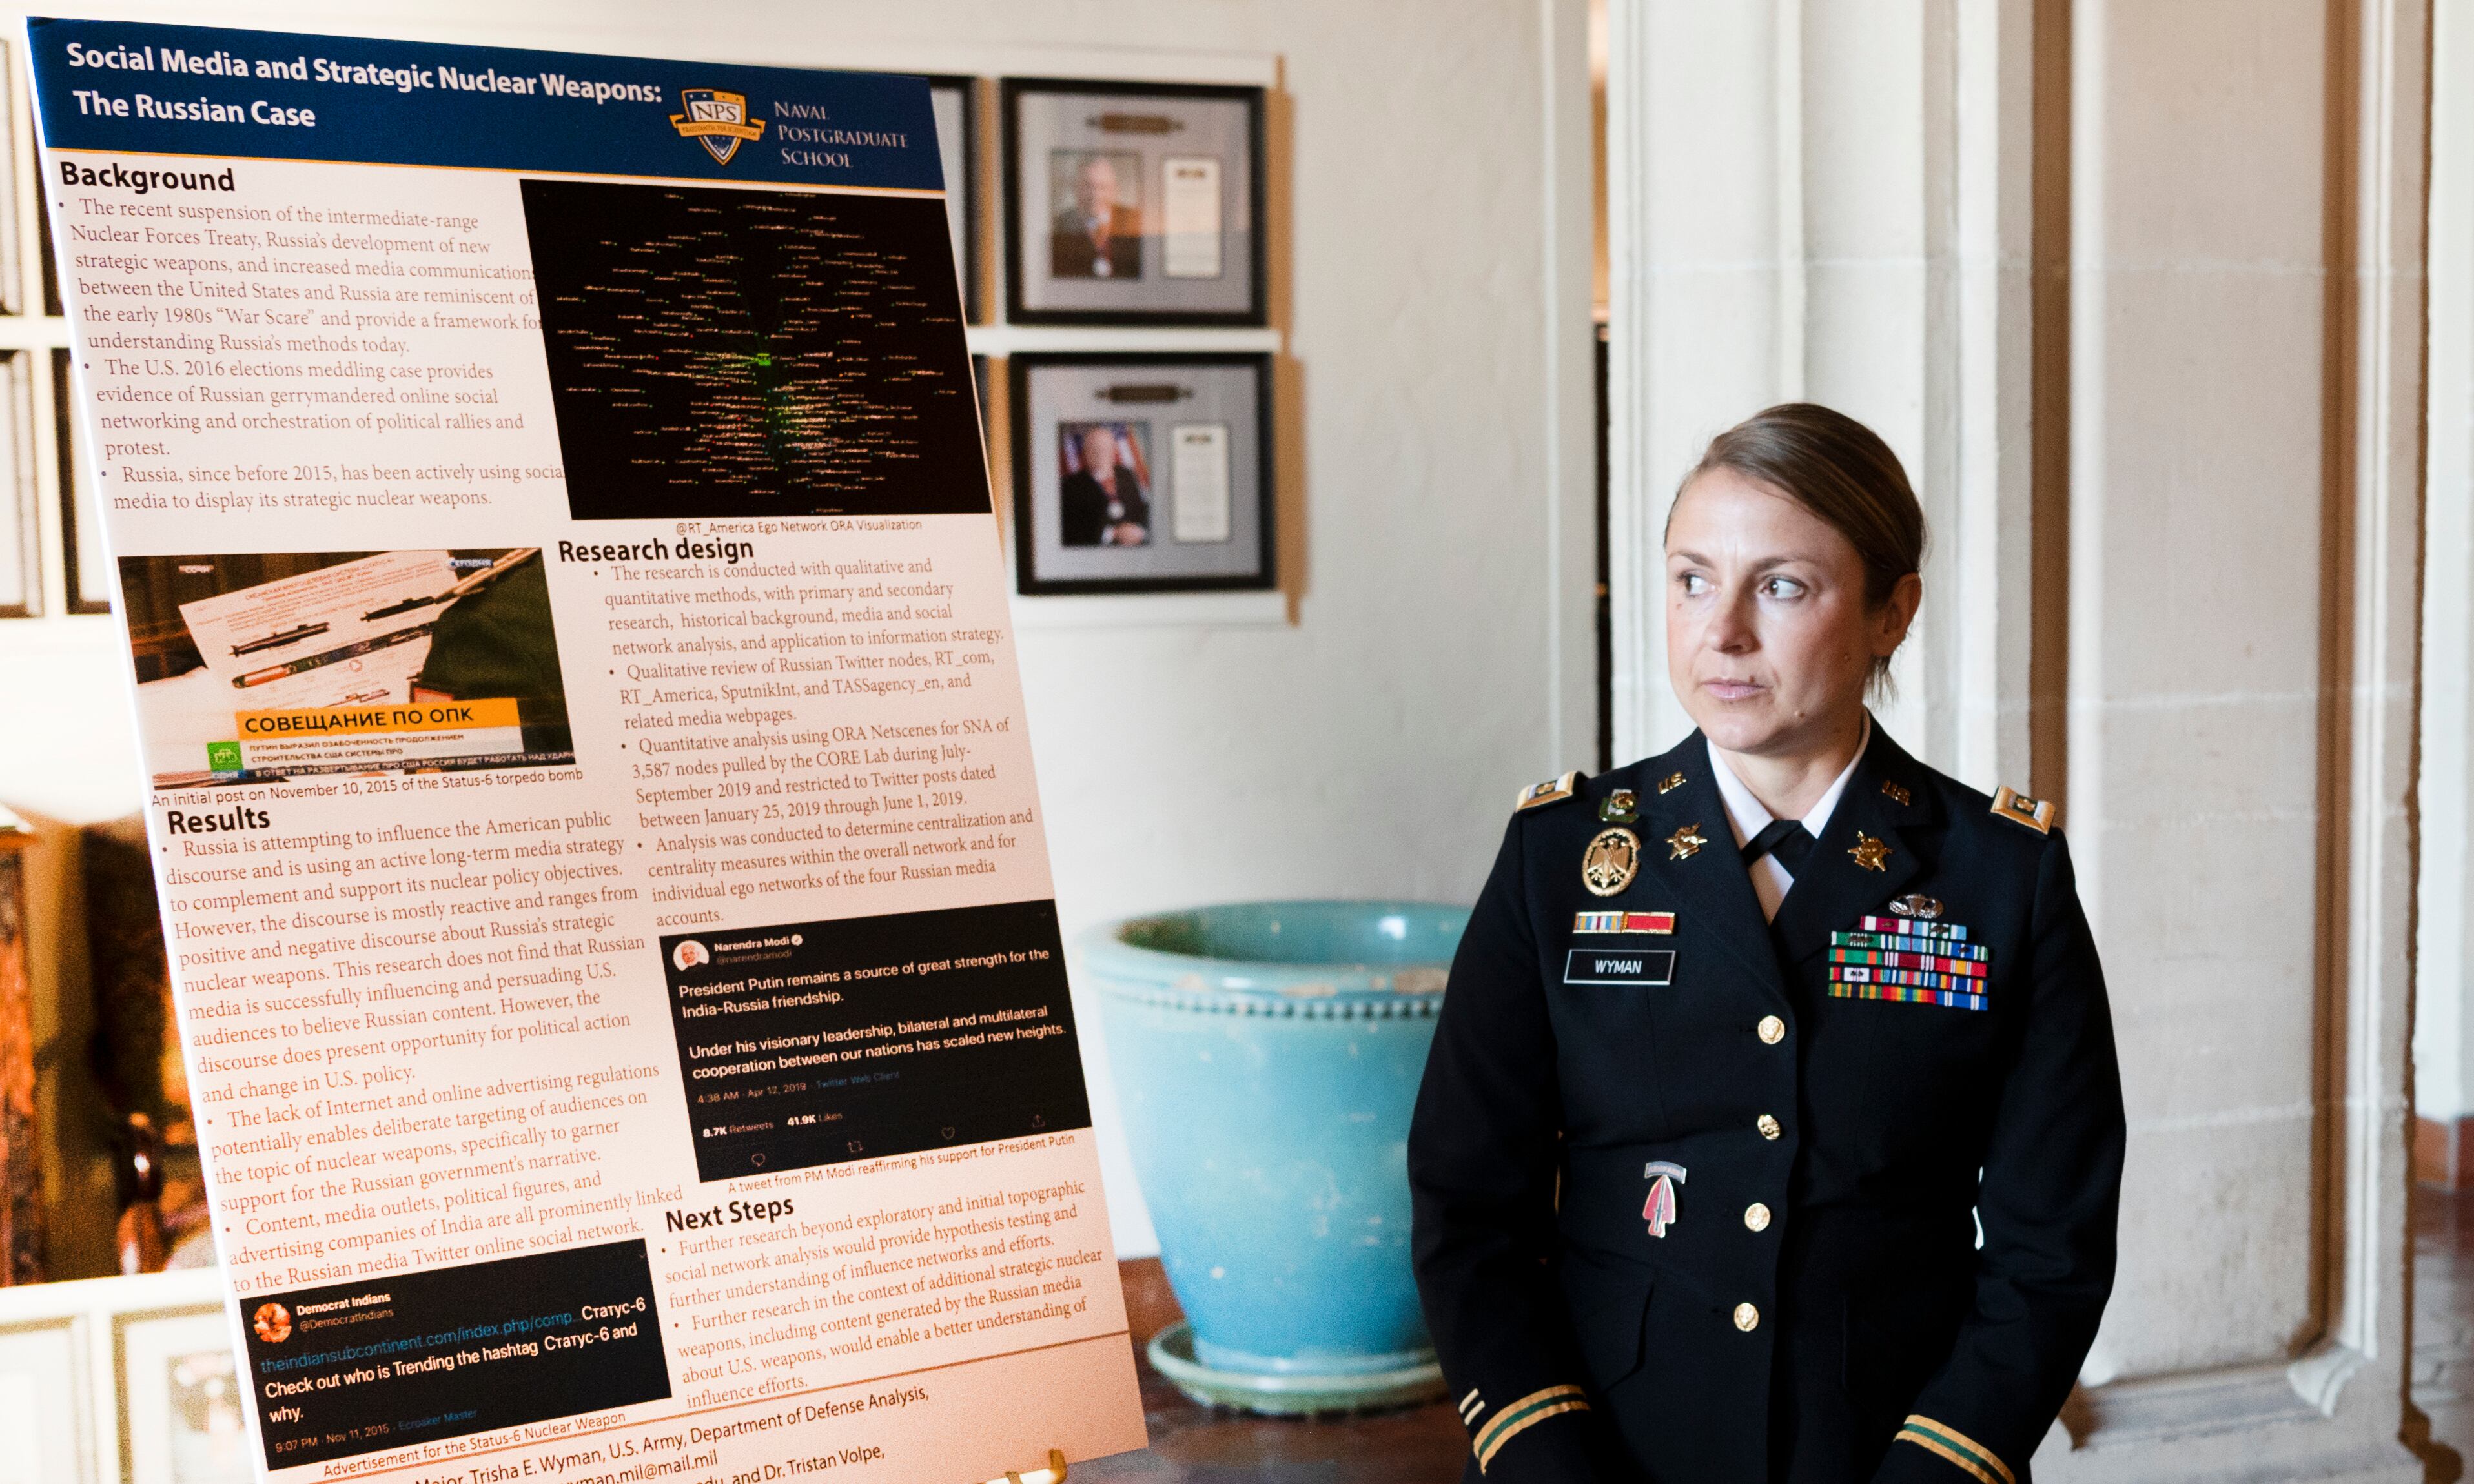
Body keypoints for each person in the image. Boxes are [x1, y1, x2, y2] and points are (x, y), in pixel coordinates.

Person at [1409, 403, 2124, 1484]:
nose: (1720, 630)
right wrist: (1544, 1455)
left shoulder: (1998, 875)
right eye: (1691, 578)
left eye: (1780, 585)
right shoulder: (1559, 858)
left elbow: (2050, 1243)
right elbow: (1470, 1204)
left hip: (1887, 1452)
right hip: (1607, 1449)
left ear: (1892, 612)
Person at [1050, 153, 1142, 280]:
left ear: (1115, 190)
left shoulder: (1137, 220)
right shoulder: (1058, 225)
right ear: (1075, 189)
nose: (1095, 196)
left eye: (1102, 188)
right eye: (1087, 186)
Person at [1058, 424, 1151, 546]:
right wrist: (1113, 534)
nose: (1101, 454)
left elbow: (1141, 512)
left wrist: (1138, 531)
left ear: (1114, 451)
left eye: (1106, 449)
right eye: (1095, 449)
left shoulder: (1127, 474)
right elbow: (1071, 532)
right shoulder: (1070, 486)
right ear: (1085, 454)